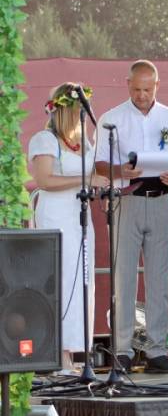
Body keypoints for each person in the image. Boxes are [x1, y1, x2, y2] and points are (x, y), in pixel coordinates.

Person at [95, 60, 168, 374]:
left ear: (157, 86)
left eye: (147, 89)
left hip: (163, 200)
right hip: (127, 201)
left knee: (160, 278)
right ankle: (123, 351)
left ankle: (157, 351)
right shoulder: (111, 118)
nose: (141, 95)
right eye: (136, 89)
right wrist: (120, 171)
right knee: (123, 278)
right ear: (128, 84)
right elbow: (99, 163)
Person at [28, 83, 109, 372]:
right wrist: (85, 181)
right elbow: (44, 180)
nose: (82, 115)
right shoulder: (45, 139)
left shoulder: (84, 142)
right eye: (78, 109)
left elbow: (93, 173)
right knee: (60, 281)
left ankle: (74, 353)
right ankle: (56, 354)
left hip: (79, 216)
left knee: (82, 281)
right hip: (55, 215)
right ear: (66, 110)